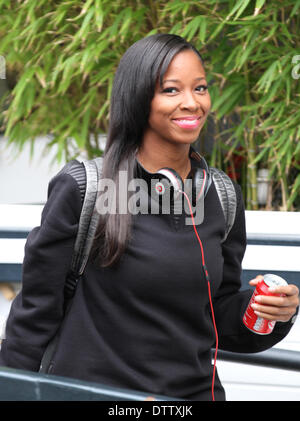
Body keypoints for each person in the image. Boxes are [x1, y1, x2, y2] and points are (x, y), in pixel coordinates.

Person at [0, 34, 298, 401]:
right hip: (95, 396)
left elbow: (218, 317)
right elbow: (33, 319)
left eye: (200, 87)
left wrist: (269, 313)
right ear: (139, 97)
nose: (192, 103)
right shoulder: (83, 189)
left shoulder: (221, 195)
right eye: (171, 90)